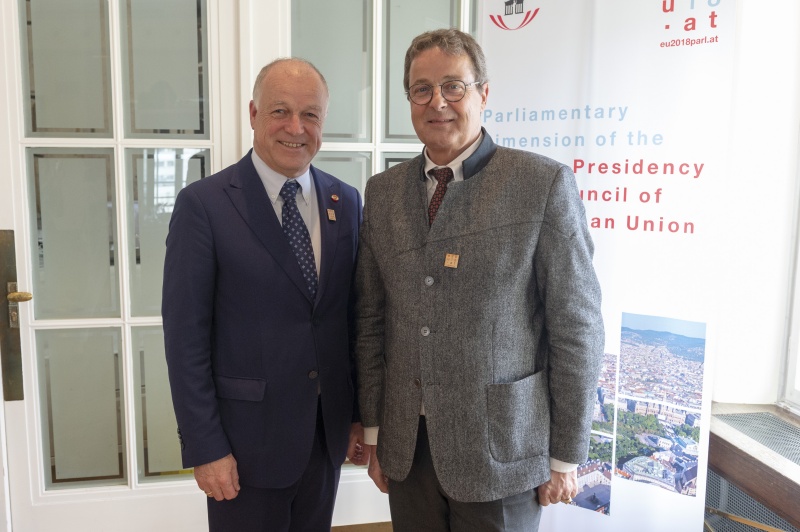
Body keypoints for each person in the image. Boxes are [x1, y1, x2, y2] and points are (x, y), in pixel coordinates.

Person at [354, 29, 604, 531]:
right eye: (421, 89)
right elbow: (371, 321)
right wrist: (377, 431)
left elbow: (577, 326)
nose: (437, 102)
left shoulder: (542, 184)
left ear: (483, 93)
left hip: (502, 452)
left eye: (454, 86)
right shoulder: (382, 195)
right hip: (410, 450)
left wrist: (565, 456)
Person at [162, 58, 366, 531]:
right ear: (253, 114)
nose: (296, 128)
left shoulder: (346, 201)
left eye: (310, 115)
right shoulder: (205, 206)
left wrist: (357, 416)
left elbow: (352, 320)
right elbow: (185, 339)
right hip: (243, 447)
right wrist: (206, 445)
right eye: (280, 111)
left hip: (323, 438)